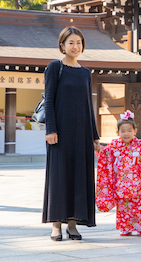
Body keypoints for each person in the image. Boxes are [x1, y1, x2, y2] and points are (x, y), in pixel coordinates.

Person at [42, 27, 100, 241]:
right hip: (60, 133)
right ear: (62, 45)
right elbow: (49, 100)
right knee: (59, 177)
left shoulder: (85, 72)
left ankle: (73, 223)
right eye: (71, 42)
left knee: (79, 177)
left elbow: (88, 106)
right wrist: (51, 129)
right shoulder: (55, 67)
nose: (75, 46)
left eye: (79, 42)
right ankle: (56, 224)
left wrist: (94, 136)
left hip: (82, 133)